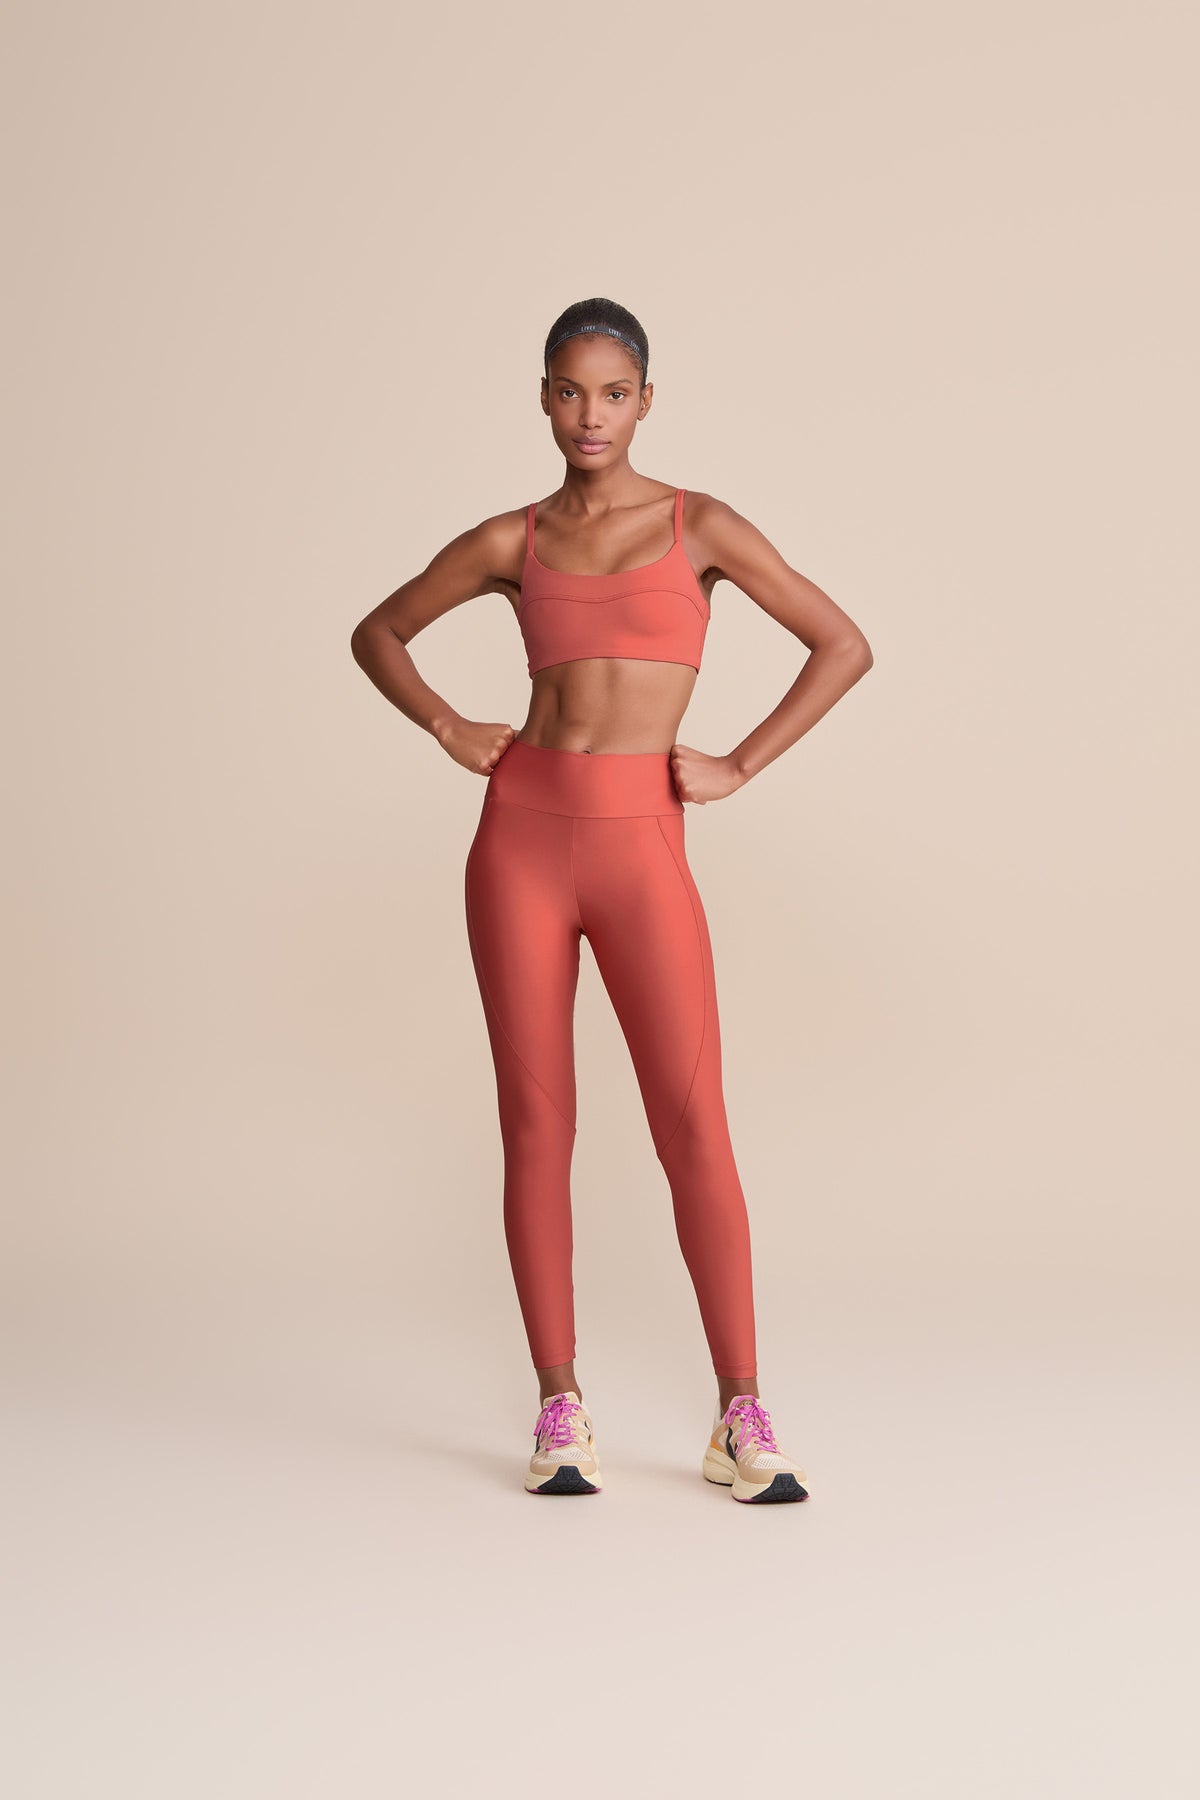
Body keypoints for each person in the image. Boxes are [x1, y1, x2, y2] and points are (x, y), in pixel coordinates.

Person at [350, 297, 873, 1503]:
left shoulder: (701, 526)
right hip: (521, 840)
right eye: (570, 390)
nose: (591, 414)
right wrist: (444, 723)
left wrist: (740, 762)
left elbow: (842, 643)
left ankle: (740, 1412)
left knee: (693, 1122)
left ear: (646, 402)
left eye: (615, 392)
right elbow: (379, 632)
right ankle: (560, 1402)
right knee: (538, 1124)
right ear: (544, 398)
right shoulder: (512, 538)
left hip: (642, 842)